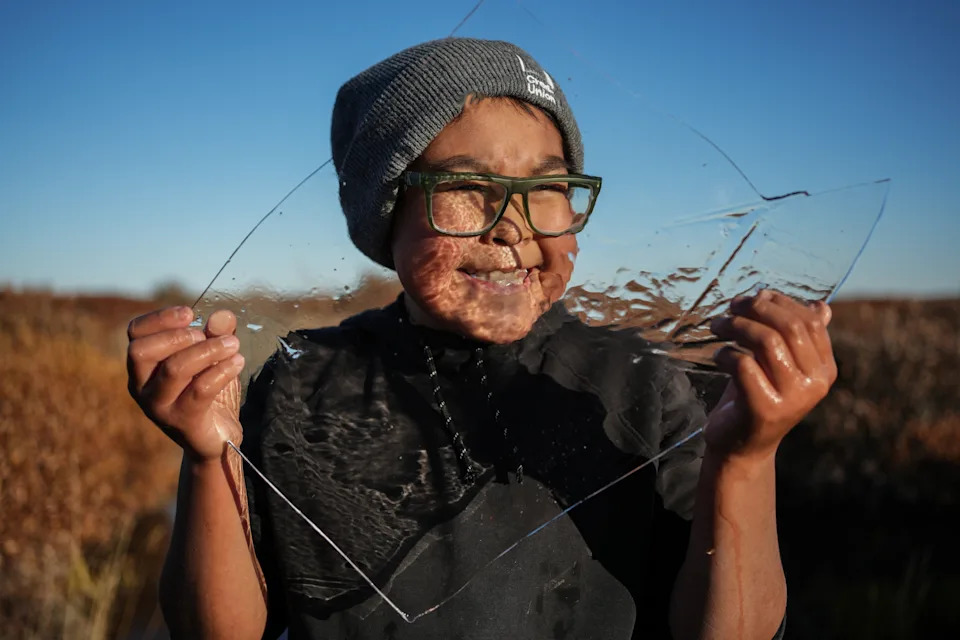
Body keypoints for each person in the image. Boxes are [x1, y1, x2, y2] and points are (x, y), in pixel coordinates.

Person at [127, 38, 837, 640]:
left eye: (548, 186)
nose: (512, 224)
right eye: (467, 186)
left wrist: (746, 458)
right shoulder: (304, 381)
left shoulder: (637, 382)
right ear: (387, 215)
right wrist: (207, 455)